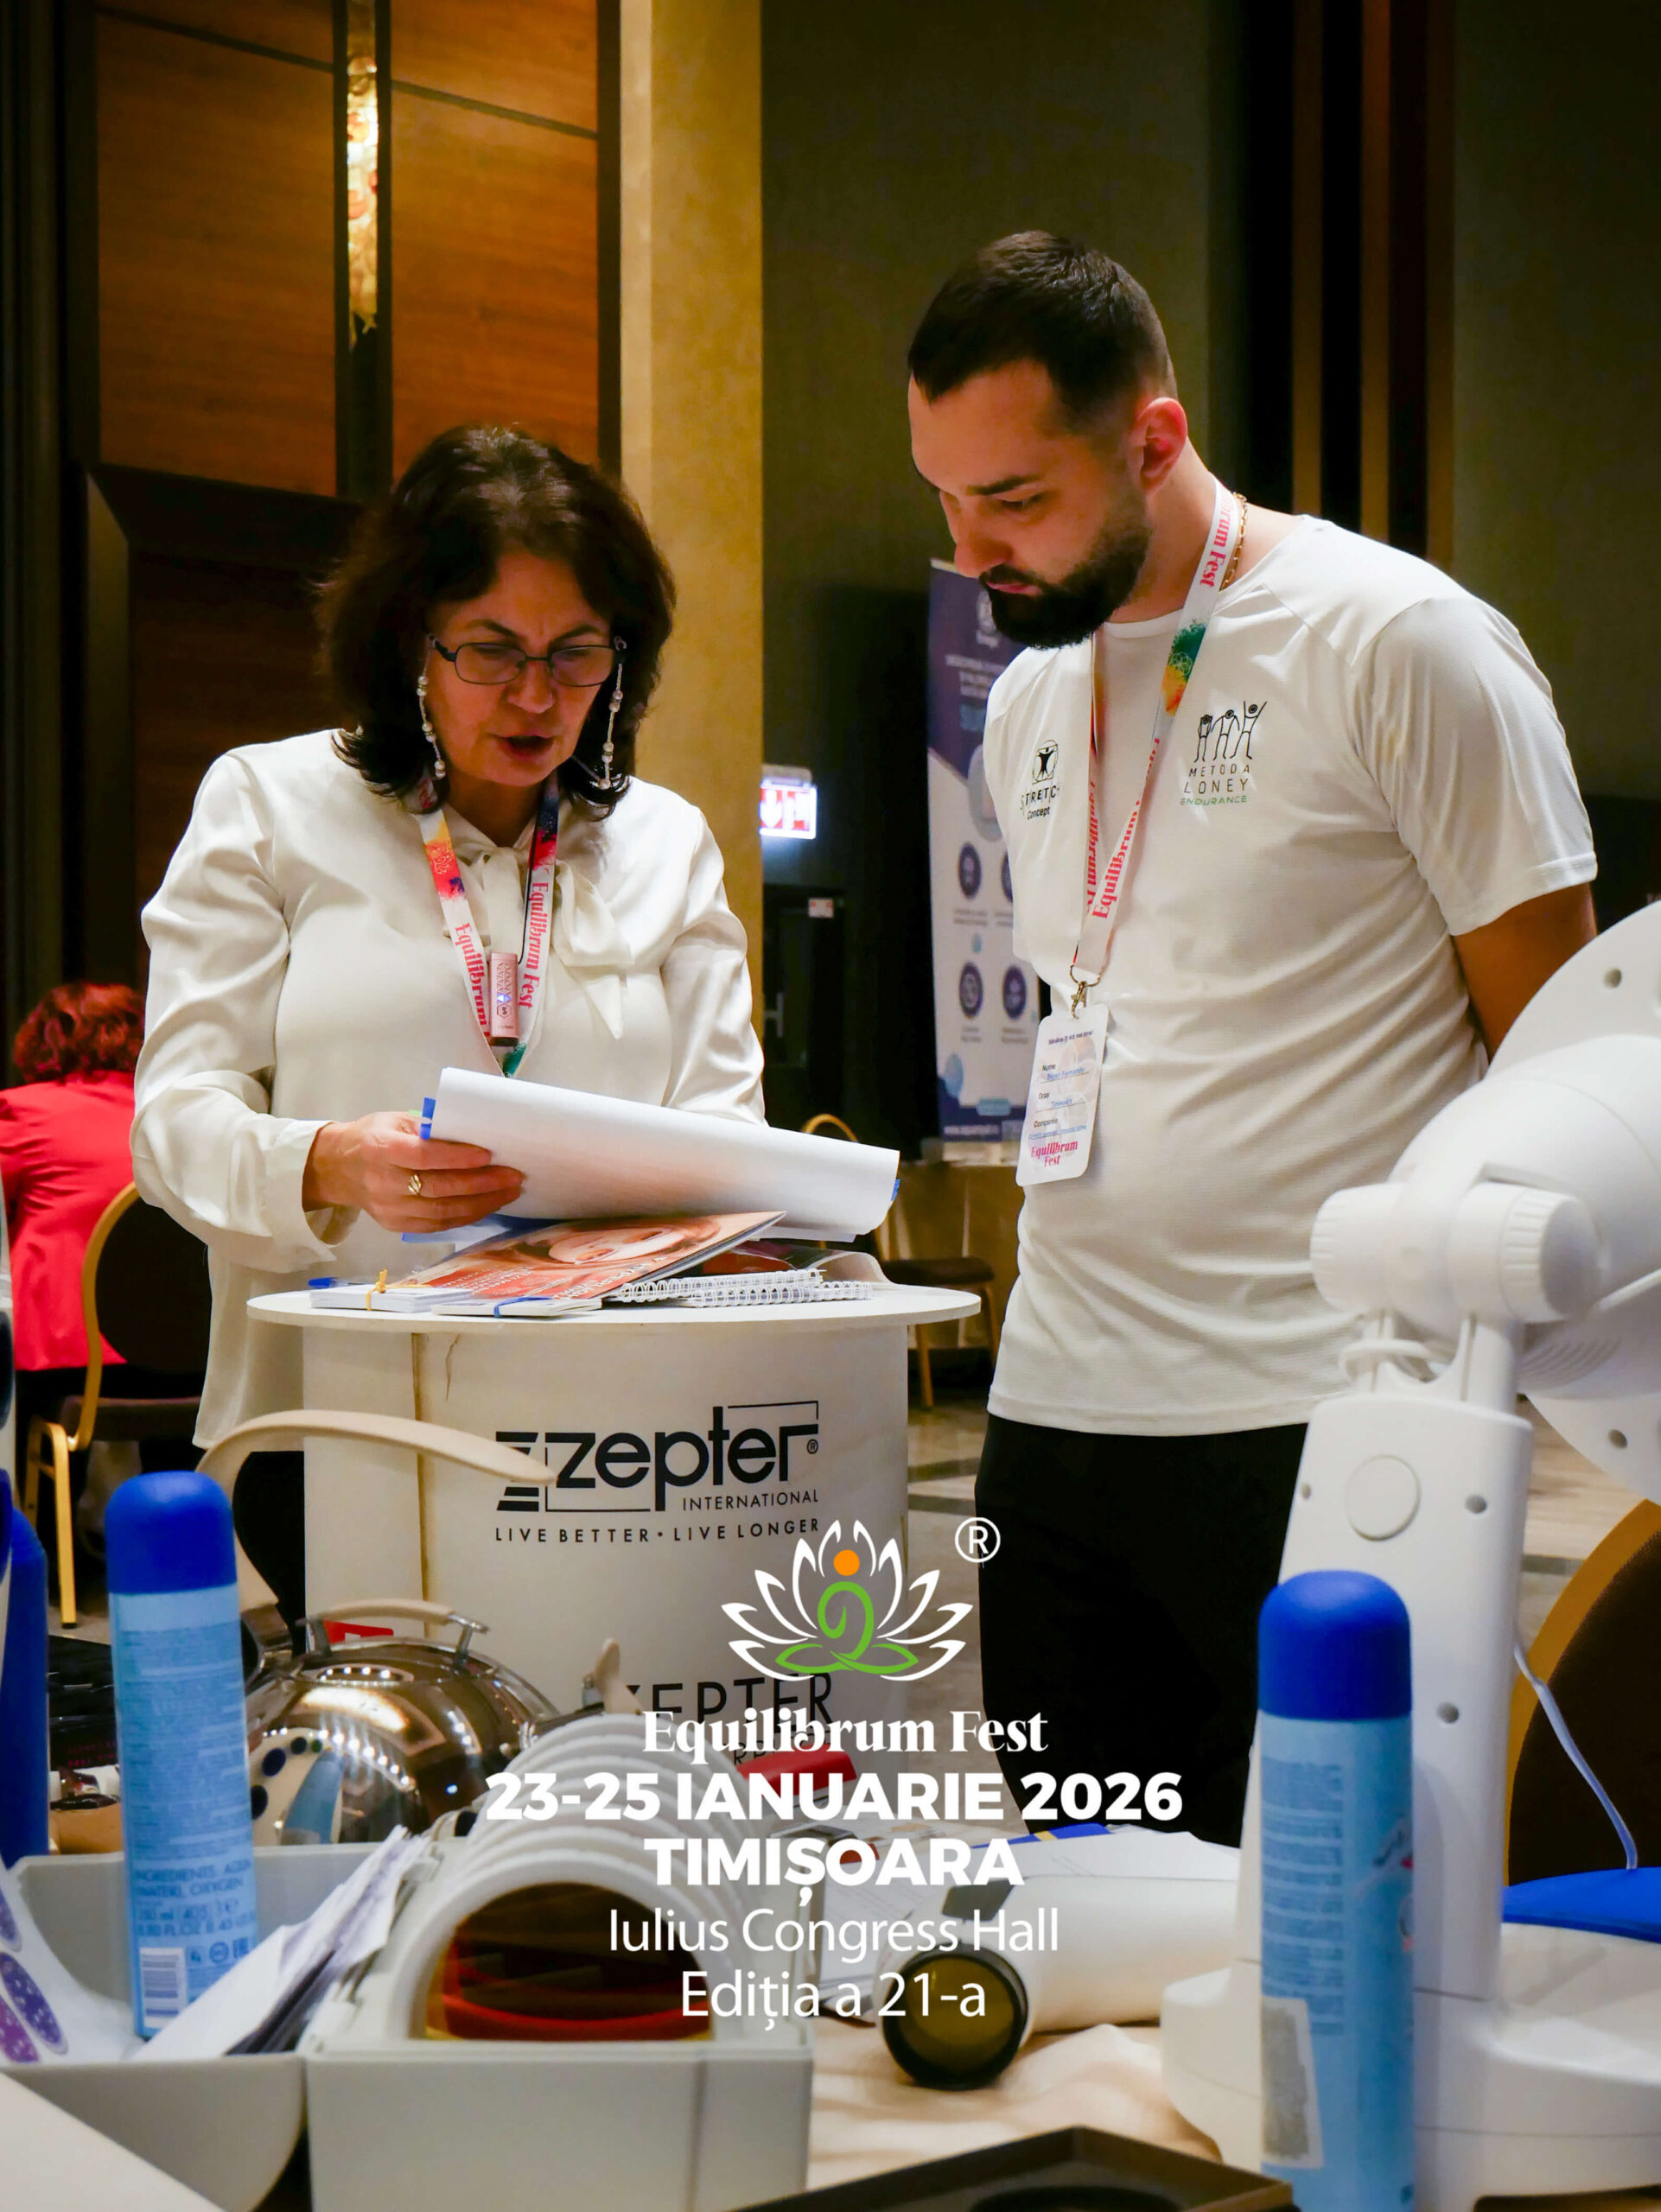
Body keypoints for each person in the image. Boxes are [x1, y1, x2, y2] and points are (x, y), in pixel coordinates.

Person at [906, 232, 1597, 1843]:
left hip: (1327, 1402)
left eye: (1012, 499)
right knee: (1087, 1897)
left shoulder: (1394, 643)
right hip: (1057, 1412)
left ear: (1153, 438)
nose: (971, 550)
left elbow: (1560, 1061)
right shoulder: (1027, 699)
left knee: (1318, 1909)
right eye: (941, 499)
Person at [134, 426, 764, 1623]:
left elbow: (727, 1133)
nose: (535, 696)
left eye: (576, 653)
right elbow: (172, 1127)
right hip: (341, 1422)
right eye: (490, 650)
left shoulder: (664, 840)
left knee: (605, 1731)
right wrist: (329, 1162)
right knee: (410, 1736)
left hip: (621, 1435)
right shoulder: (269, 805)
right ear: (406, 644)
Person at [0, 983, 189, 1550]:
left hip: (65, 1361)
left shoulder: (23, 1112)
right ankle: (171, 1555)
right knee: (176, 1444)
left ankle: (43, 1561)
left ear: (43, 1040)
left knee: (30, 1420)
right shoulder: (176, 1118)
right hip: (182, 1356)